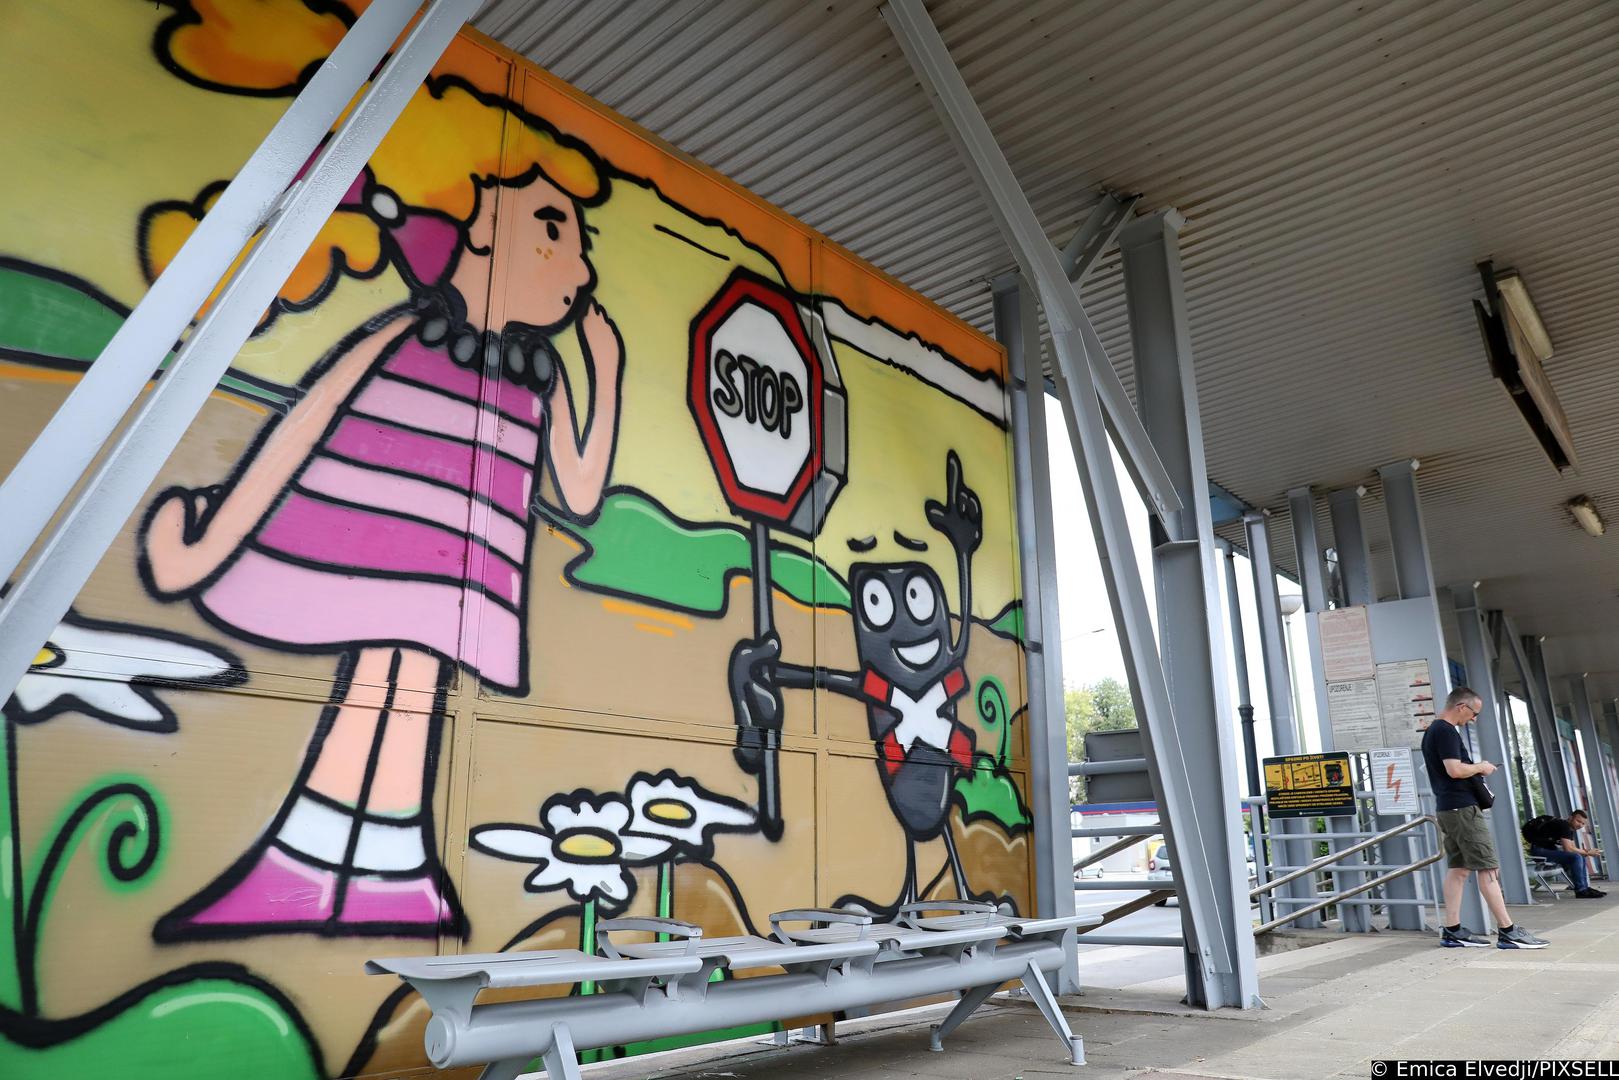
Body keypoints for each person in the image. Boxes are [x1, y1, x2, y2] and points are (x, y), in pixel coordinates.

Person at [1420, 686, 1548, 949]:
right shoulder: (1446, 730)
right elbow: (1454, 770)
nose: (1474, 719)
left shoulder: (1432, 731)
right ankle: (1508, 931)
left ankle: (1452, 930)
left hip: (1448, 808)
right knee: (1488, 867)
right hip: (1462, 809)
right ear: (1461, 707)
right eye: (1474, 713)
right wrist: (1482, 767)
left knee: (1458, 869)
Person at [1527, 809, 1607, 898]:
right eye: (1578, 821)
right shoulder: (1564, 825)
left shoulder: (1569, 829)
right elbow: (1568, 849)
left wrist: (1586, 853)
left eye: (1583, 823)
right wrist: (1588, 852)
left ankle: (1585, 888)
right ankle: (1581, 891)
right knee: (1576, 857)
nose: (1580, 825)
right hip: (1539, 851)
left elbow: (1573, 848)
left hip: (1547, 850)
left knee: (1579, 856)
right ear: (1570, 818)